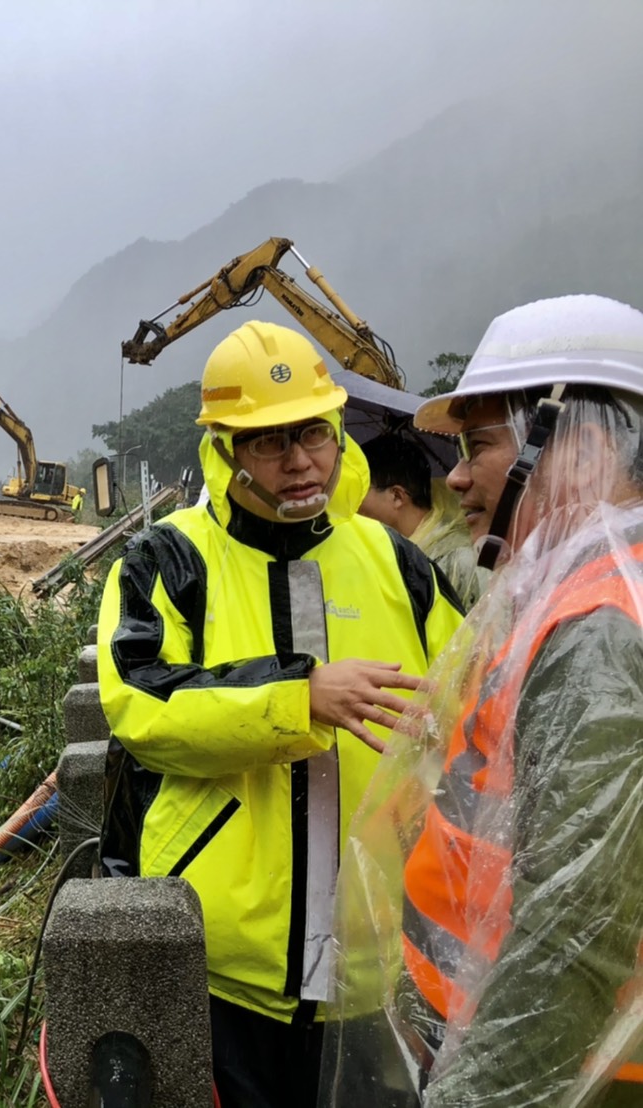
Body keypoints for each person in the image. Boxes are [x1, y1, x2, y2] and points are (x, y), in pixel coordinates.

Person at [97, 320, 464, 1108]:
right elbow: (143, 704)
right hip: (221, 965)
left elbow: (468, 701)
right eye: (268, 442)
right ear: (227, 448)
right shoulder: (170, 559)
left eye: (313, 434)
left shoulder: (397, 563)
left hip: (369, 965)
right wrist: (300, 697)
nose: (299, 460)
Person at [324, 294, 643, 1108]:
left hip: (553, 1069)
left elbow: (573, 931)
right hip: (497, 1030)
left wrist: (475, 1095)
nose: (455, 474)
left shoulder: (598, 627)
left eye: (479, 445)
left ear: (579, 450)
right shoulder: (565, 587)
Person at [358, 432, 487, 607]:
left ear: (397, 496)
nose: (352, 506)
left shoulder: (460, 561)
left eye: (359, 493)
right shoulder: (377, 554)